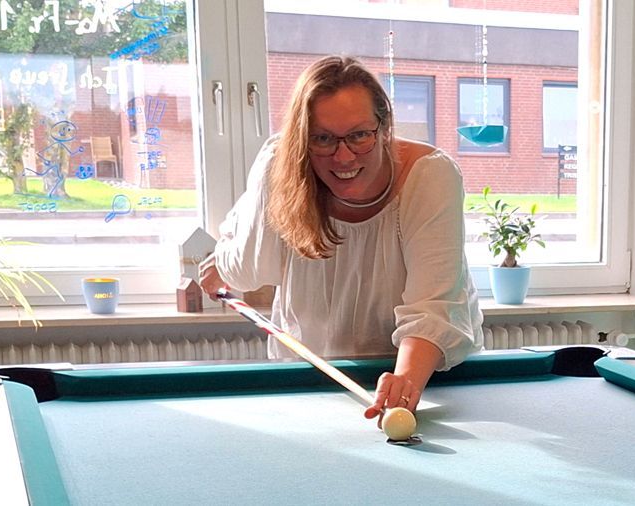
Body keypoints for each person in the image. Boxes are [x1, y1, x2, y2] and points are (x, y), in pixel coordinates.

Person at [199, 55, 483, 425]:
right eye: (323, 138)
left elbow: (434, 305)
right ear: (303, 140)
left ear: (384, 128)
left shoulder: (430, 176)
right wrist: (222, 263)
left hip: (420, 378)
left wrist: (405, 382)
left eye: (359, 135)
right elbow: (251, 269)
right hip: (310, 377)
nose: (343, 155)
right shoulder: (280, 165)